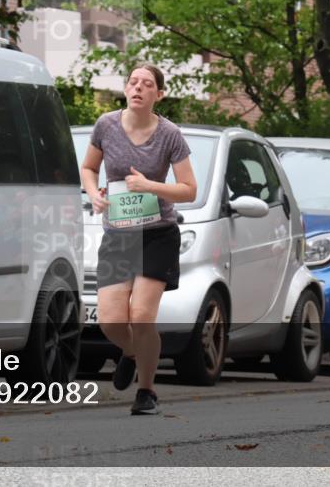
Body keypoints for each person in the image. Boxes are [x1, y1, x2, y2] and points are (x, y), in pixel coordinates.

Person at [80, 64, 197, 414]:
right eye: (133, 82)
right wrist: (94, 195)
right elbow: (89, 168)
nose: (138, 88)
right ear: (126, 89)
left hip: (157, 233)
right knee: (111, 320)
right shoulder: (106, 125)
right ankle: (131, 353)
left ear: (158, 94)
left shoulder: (170, 134)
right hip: (118, 234)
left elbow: (189, 189)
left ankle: (147, 391)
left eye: (146, 84)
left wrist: (150, 186)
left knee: (142, 315)